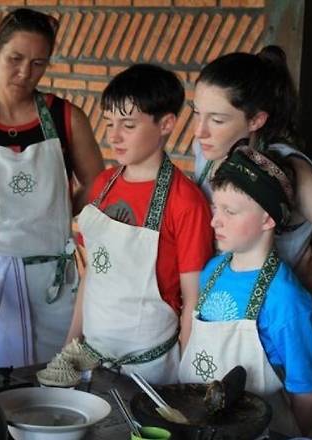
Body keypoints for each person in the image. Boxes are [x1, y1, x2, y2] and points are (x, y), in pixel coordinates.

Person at [191, 45, 312, 439]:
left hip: (289, 328)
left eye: (216, 119)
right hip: (225, 316)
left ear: (256, 119)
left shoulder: (291, 171)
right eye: (196, 113)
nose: (199, 131)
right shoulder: (209, 152)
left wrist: (299, 290)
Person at [0, 8, 104, 367]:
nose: (25, 72)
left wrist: (55, 211)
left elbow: (96, 183)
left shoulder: (67, 118)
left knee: (51, 380)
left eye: (38, 63)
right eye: (15, 58)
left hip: (49, 281)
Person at [65, 64, 214, 383]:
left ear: (166, 124)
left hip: (150, 369)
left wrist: (187, 381)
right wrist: (70, 345)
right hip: (89, 357)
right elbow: (92, 273)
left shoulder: (185, 201)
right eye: (109, 123)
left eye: (128, 125)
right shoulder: (102, 185)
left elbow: (193, 301)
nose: (114, 136)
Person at [180, 146, 312, 437]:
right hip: (197, 425)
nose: (214, 221)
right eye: (216, 208)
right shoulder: (212, 270)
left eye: (230, 212)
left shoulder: (285, 299)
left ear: (268, 219)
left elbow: (308, 391)